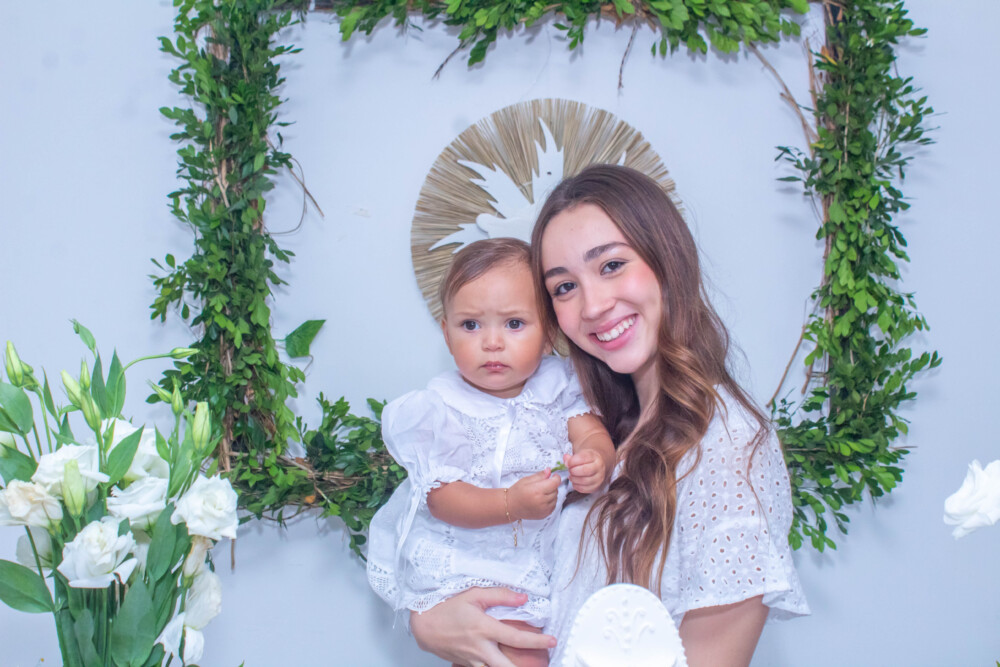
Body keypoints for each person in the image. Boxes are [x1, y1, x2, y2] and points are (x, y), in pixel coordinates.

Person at [408, 165, 809, 667]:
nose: (593, 305)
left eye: (612, 265)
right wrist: (431, 622)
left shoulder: (728, 445)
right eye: (564, 287)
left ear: (668, 259)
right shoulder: (597, 426)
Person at [366, 238, 616, 667]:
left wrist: (597, 459)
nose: (492, 342)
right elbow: (441, 499)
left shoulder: (558, 386)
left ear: (548, 333)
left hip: (538, 561)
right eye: (471, 325)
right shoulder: (442, 407)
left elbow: (590, 433)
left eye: (514, 324)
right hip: (471, 563)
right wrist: (509, 503)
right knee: (510, 653)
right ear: (446, 334)